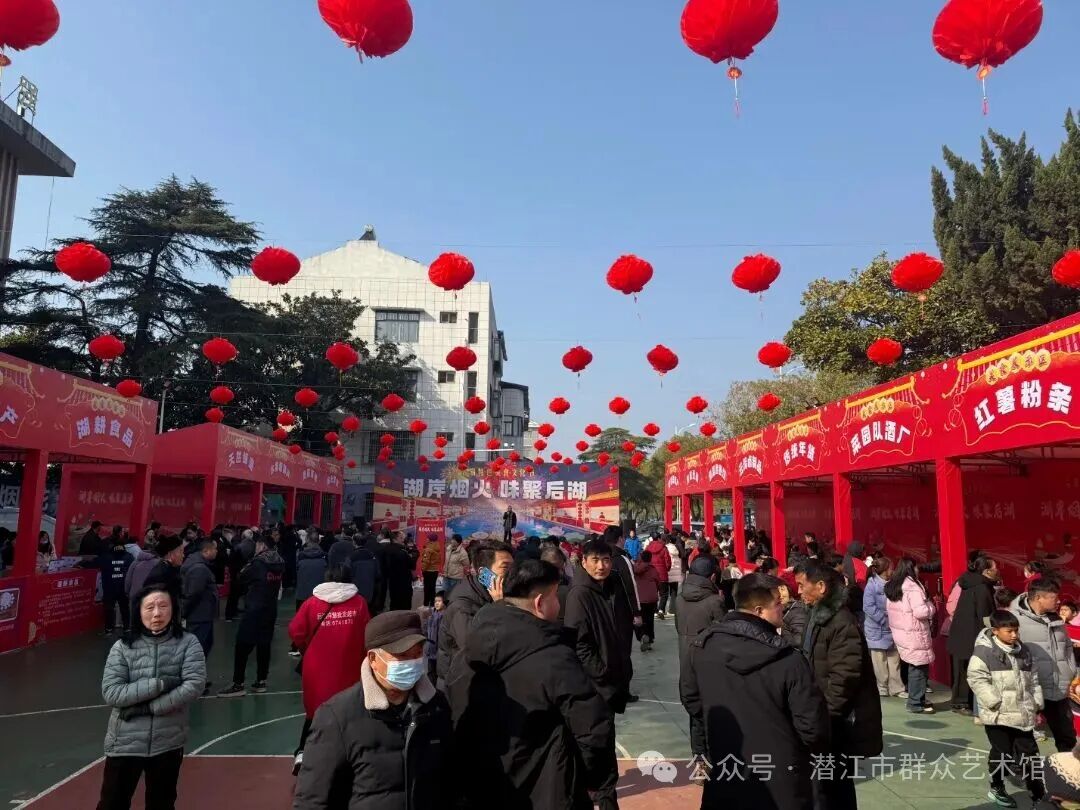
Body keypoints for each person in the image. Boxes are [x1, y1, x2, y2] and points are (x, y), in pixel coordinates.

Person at [450, 559, 614, 809]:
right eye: (555, 597)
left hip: (483, 785)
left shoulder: (469, 649)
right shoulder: (555, 657)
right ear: (539, 603)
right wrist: (594, 780)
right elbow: (593, 727)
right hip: (548, 788)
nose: (559, 605)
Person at [680, 573, 829, 810]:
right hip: (783, 777)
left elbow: (691, 700)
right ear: (759, 610)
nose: (784, 608)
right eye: (778, 605)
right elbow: (812, 727)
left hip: (726, 770)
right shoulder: (789, 660)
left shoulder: (701, 647)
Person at [293, 610, 450, 810]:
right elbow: (312, 800)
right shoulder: (337, 717)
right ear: (374, 659)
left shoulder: (437, 707)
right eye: (401, 656)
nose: (412, 663)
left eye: (418, 653)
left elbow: (449, 781)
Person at [97, 585, 206, 810]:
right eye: (149, 607)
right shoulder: (123, 647)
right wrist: (159, 684)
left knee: (162, 803)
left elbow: (194, 685)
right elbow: (112, 692)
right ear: (139, 611)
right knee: (112, 803)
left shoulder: (188, 643)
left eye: (163, 606)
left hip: (167, 743)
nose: (156, 613)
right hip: (124, 743)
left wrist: (150, 708)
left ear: (173, 610)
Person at [797, 560, 883, 810]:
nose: (799, 592)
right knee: (824, 788)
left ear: (821, 587)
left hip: (837, 723)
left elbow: (844, 679)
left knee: (836, 789)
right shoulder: (818, 617)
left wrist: (824, 717)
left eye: (803, 586)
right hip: (823, 717)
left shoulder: (841, 622)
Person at [563, 539, 628, 810]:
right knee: (596, 749)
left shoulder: (606, 587)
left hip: (608, 682)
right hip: (595, 686)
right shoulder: (580, 593)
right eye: (596, 560)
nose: (601, 566)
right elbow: (580, 643)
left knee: (603, 746)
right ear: (584, 561)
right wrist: (602, 676)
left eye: (606, 560)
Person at [288, 565, 371, 775]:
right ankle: (351, 758)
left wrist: (308, 648)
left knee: (315, 713)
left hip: (317, 669)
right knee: (350, 713)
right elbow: (367, 635)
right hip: (349, 667)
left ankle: (303, 753)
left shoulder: (312, 603)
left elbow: (295, 631)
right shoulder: (359, 603)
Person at [967, 609, 1047, 808]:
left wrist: (1036, 702)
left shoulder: (1025, 651)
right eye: (1009, 631)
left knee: (1031, 756)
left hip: (1024, 714)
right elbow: (976, 678)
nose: (1014, 635)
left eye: (1016, 631)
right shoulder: (984, 652)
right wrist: (994, 701)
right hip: (998, 715)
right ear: (995, 631)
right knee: (1002, 755)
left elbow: (1034, 680)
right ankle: (997, 787)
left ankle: (1037, 793)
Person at [1011, 577, 1079, 752]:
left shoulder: (1056, 619)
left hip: (1058, 689)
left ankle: (1070, 774)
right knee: (1024, 740)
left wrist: (1070, 671)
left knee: (1067, 738)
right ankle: (1025, 774)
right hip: (1031, 690)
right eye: (1054, 597)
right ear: (1039, 597)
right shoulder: (1015, 620)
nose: (1058, 602)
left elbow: (1068, 648)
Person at [437, 541, 514, 688]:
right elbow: (477, 651)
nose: (512, 573)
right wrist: (500, 607)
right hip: (459, 685)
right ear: (483, 572)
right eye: (506, 567)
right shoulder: (462, 606)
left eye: (514, 567)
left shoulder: (494, 593)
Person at [219, 535, 284, 696]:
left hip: (254, 609)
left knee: (242, 646)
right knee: (264, 645)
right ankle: (261, 681)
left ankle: (238, 683)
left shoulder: (257, 563)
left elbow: (241, 577)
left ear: (261, 545)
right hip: (270, 609)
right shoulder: (280, 562)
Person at [884, 557, 937, 714]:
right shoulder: (912, 586)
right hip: (914, 633)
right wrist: (930, 607)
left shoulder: (894, 585)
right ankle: (915, 701)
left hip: (902, 633)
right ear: (911, 568)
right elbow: (920, 611)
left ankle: (917, 698)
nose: (918, 570)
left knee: (914, 666)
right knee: (918, 668)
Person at [947, 555, 999, 715]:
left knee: (961, 670)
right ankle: (963, 703)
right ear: (987, 571)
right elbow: (984, 615)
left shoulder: (968, 583)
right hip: (972, 634)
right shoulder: (982, 587)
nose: (998, 570)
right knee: (970, 670)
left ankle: (960, 701)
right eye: (995, 567)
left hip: (961, 632)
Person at [180, 537, 218, 694]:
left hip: (203, 615)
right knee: (198, 649)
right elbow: (193, 594)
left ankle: (198, 679)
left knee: (203, 647)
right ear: (206, 551)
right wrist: (184, 613)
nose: (217, 552)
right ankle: (193, 683)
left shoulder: (199, 566)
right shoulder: (199, 569)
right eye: (215, 549)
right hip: (199, 616)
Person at [863, 556, 905, 698]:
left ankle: (897, 688)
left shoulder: (892, 583)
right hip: (877, 629)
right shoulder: (871, 585)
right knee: (879, 661)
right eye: (891, 568)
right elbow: (868, 607)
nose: (892, 570)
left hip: (891, 627)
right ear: (885, 570)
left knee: (894, 660)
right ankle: (882, 687)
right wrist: (883, 620)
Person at [126, 535, 184, 607]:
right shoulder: (161, 568)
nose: (183, 555)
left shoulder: (136, 562)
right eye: (181, 551)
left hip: (135, 599)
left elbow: (128, 582)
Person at [99, 538, 134, 635]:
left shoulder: (106, 556)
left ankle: (109, 630)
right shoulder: (129, 557)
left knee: (109, 609)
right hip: (123, 588)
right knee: (124, 608)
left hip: (109, 588)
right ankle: (127, 628)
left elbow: (97, 563)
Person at [632, 550, 660, 652]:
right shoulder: (652, 569)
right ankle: (649, 639)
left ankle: (642, 635)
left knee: (638, 620)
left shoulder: (635, 568)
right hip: (651, 598)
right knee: (649, 620)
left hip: (639, 598)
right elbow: (658, 581)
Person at [346, 535, 380, 608]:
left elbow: (346, 573)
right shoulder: (372, 556)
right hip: (370, 589)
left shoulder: (351, 556)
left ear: (354, 543)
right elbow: (378, 574)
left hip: (355, 590)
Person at [384, 532, 414, 611]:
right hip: (404, 582)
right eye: (401, 538)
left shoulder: (385, 549)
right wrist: (413, 555)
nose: (403, 540)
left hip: (392, 581)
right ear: (394, 539)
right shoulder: (402, 552)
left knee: (394, 602)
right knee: (404, 605)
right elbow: (411, 565)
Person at [644, 534, 672, 618]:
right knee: (664, 593)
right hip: (662, 574)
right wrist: (666, 569)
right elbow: (668, 561)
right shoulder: (664, 548)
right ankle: (661, 609)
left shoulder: (647, 548)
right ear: (659, 538)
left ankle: (654, 610)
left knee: (654, 593)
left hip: (651, 574)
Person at [660, 534, 684, 619]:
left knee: (664, 593)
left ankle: (661, 609)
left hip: (667, 573)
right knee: (674, 593)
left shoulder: (664, 549)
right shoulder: (676, 548)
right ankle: (672, 610)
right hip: (676, 573)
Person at [424, 591, 446, 681]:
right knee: (431, 673)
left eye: (439, 601)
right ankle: (432, 692)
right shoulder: (432, 614)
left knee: (440, 673)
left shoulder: (445, 616)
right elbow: (426, 630)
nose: (436, 603)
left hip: (439, 650)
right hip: (431, 649)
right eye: (435, 601)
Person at [420, 534, 442, 607]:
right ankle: (433, 604)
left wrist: (423, 569)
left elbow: (426, 561)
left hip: (428, 571)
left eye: (428, 538)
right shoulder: (437, 547)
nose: (426, 539)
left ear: (430, 539)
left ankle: (426, 603)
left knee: (426, 588)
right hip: (435, 570)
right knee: (432, 587)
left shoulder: (428, 548)